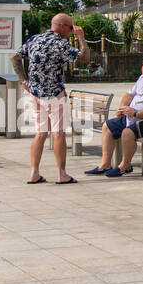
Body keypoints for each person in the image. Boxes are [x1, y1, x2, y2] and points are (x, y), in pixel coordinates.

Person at [11, 14, 89, 184]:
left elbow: (15, 57)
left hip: (35, 94)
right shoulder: (60, 44)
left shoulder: (34, 39)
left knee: (40, 133)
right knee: (58, 133)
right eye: (70, 28)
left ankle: (34, 173)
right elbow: (84, 58)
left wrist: (24, 80)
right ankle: (62, 174)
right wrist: (81, 38)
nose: (71, 31)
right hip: (54, 95)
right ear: (62, 26)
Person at [85, 58, 143, 178]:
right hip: (134, 117)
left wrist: (135, 112)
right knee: (107, 126)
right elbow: (129, 94)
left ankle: (125, 166)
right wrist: (122, 107)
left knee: (127, 132)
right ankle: (105, 164)